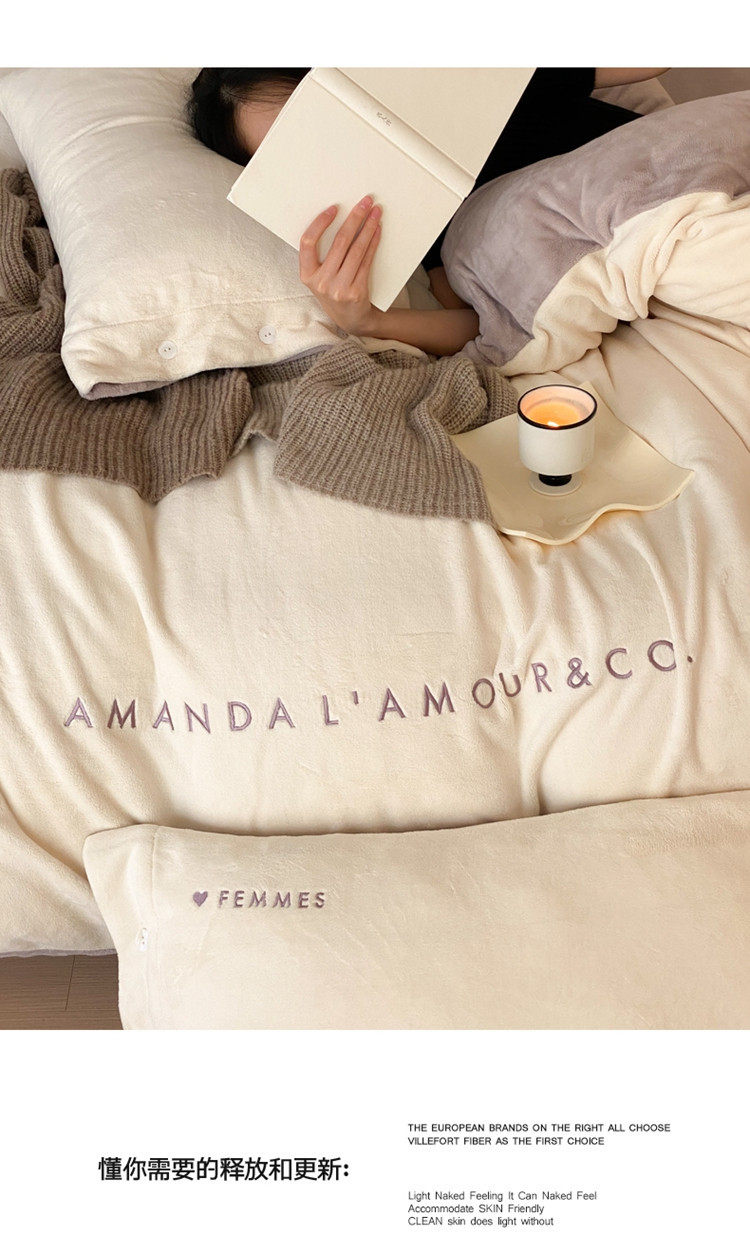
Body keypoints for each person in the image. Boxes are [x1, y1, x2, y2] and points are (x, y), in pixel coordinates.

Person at [189, 68, 668, 357]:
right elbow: (482, 325)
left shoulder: (468, 86)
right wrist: (365, 322)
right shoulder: (399, 218)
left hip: (670, 177)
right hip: (645, 266)